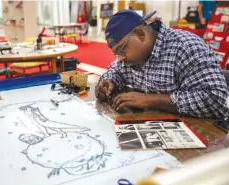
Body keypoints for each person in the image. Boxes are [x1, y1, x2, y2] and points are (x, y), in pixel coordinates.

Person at [95, 9, 229, 119]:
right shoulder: (132, 56)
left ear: (140, 34)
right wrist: (108, 81)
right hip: (158, 125)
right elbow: (116, 71)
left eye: (121, 49)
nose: (121, 57)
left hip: (206, 134)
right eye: (116, 53)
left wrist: (150, 100)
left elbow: (215, 99)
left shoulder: (186, 47)